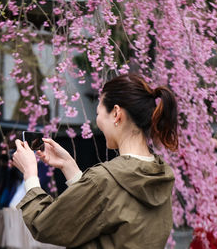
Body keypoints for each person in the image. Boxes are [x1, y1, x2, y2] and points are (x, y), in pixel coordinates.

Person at [12, 74, 178, 249]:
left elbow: (44, 225)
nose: (97, 121)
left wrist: (30, 174)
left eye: (98, 113)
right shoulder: (160, 176)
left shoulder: (106, 179)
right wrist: (69, 166)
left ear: (116, 113)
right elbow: (109, 211)